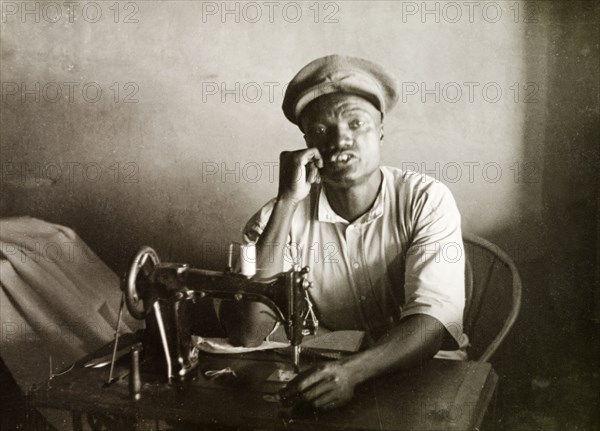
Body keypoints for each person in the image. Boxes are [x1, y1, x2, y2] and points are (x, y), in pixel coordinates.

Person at [223, 55, 466, 411]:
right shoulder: (275, 217)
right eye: (321, 131)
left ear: (381, 129)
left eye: (357, 123)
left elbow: (433, 318)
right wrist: (287, 201)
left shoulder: (426, 199)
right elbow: (248, 332)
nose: (340, 141)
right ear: (306, 142)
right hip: (327, 373)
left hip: (422, 372)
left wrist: (353, 372)